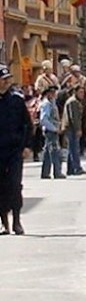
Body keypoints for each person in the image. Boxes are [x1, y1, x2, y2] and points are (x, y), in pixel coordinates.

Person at [0, 65, 32, 234]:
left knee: (14, 185)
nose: (6, 83)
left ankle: (17, 221)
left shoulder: (16, 100)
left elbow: (27, 124)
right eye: (3, 79)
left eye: (8, 79)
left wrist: (27, 145)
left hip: (14, 150)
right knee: (1, 186)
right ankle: (4, 222)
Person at [38, 85, 65, 180]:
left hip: (53, 130)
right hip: (50, 131)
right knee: (55, 152)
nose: (54, 94)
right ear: (48, 93)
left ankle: (45, 173)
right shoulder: (46, 104)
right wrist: (54, 128)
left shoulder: (52, 103)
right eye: (52, 92)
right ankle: (57, 172)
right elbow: (43, 119)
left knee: (47, 152)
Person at [61, 86, 86, 176]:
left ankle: (70, 169)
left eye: (83, 92)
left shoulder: (75, 101)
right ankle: (77, 168)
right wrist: (78, 129)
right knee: (74, 148)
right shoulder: (73, 102)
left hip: (70, 128)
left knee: (71, 149)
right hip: (71, 128)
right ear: (75, 92)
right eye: (80, 92)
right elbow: (74, 117)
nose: (82, 94)